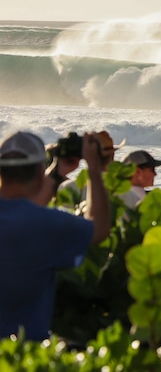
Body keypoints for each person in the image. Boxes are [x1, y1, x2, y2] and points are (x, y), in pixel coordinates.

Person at [0, 130, 110, 340]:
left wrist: (57, 174)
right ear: (40, 172)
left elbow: (21, 212)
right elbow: (100, 228)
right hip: (22, 358)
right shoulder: (47, 225)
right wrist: (94, 169)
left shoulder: (36, 222)